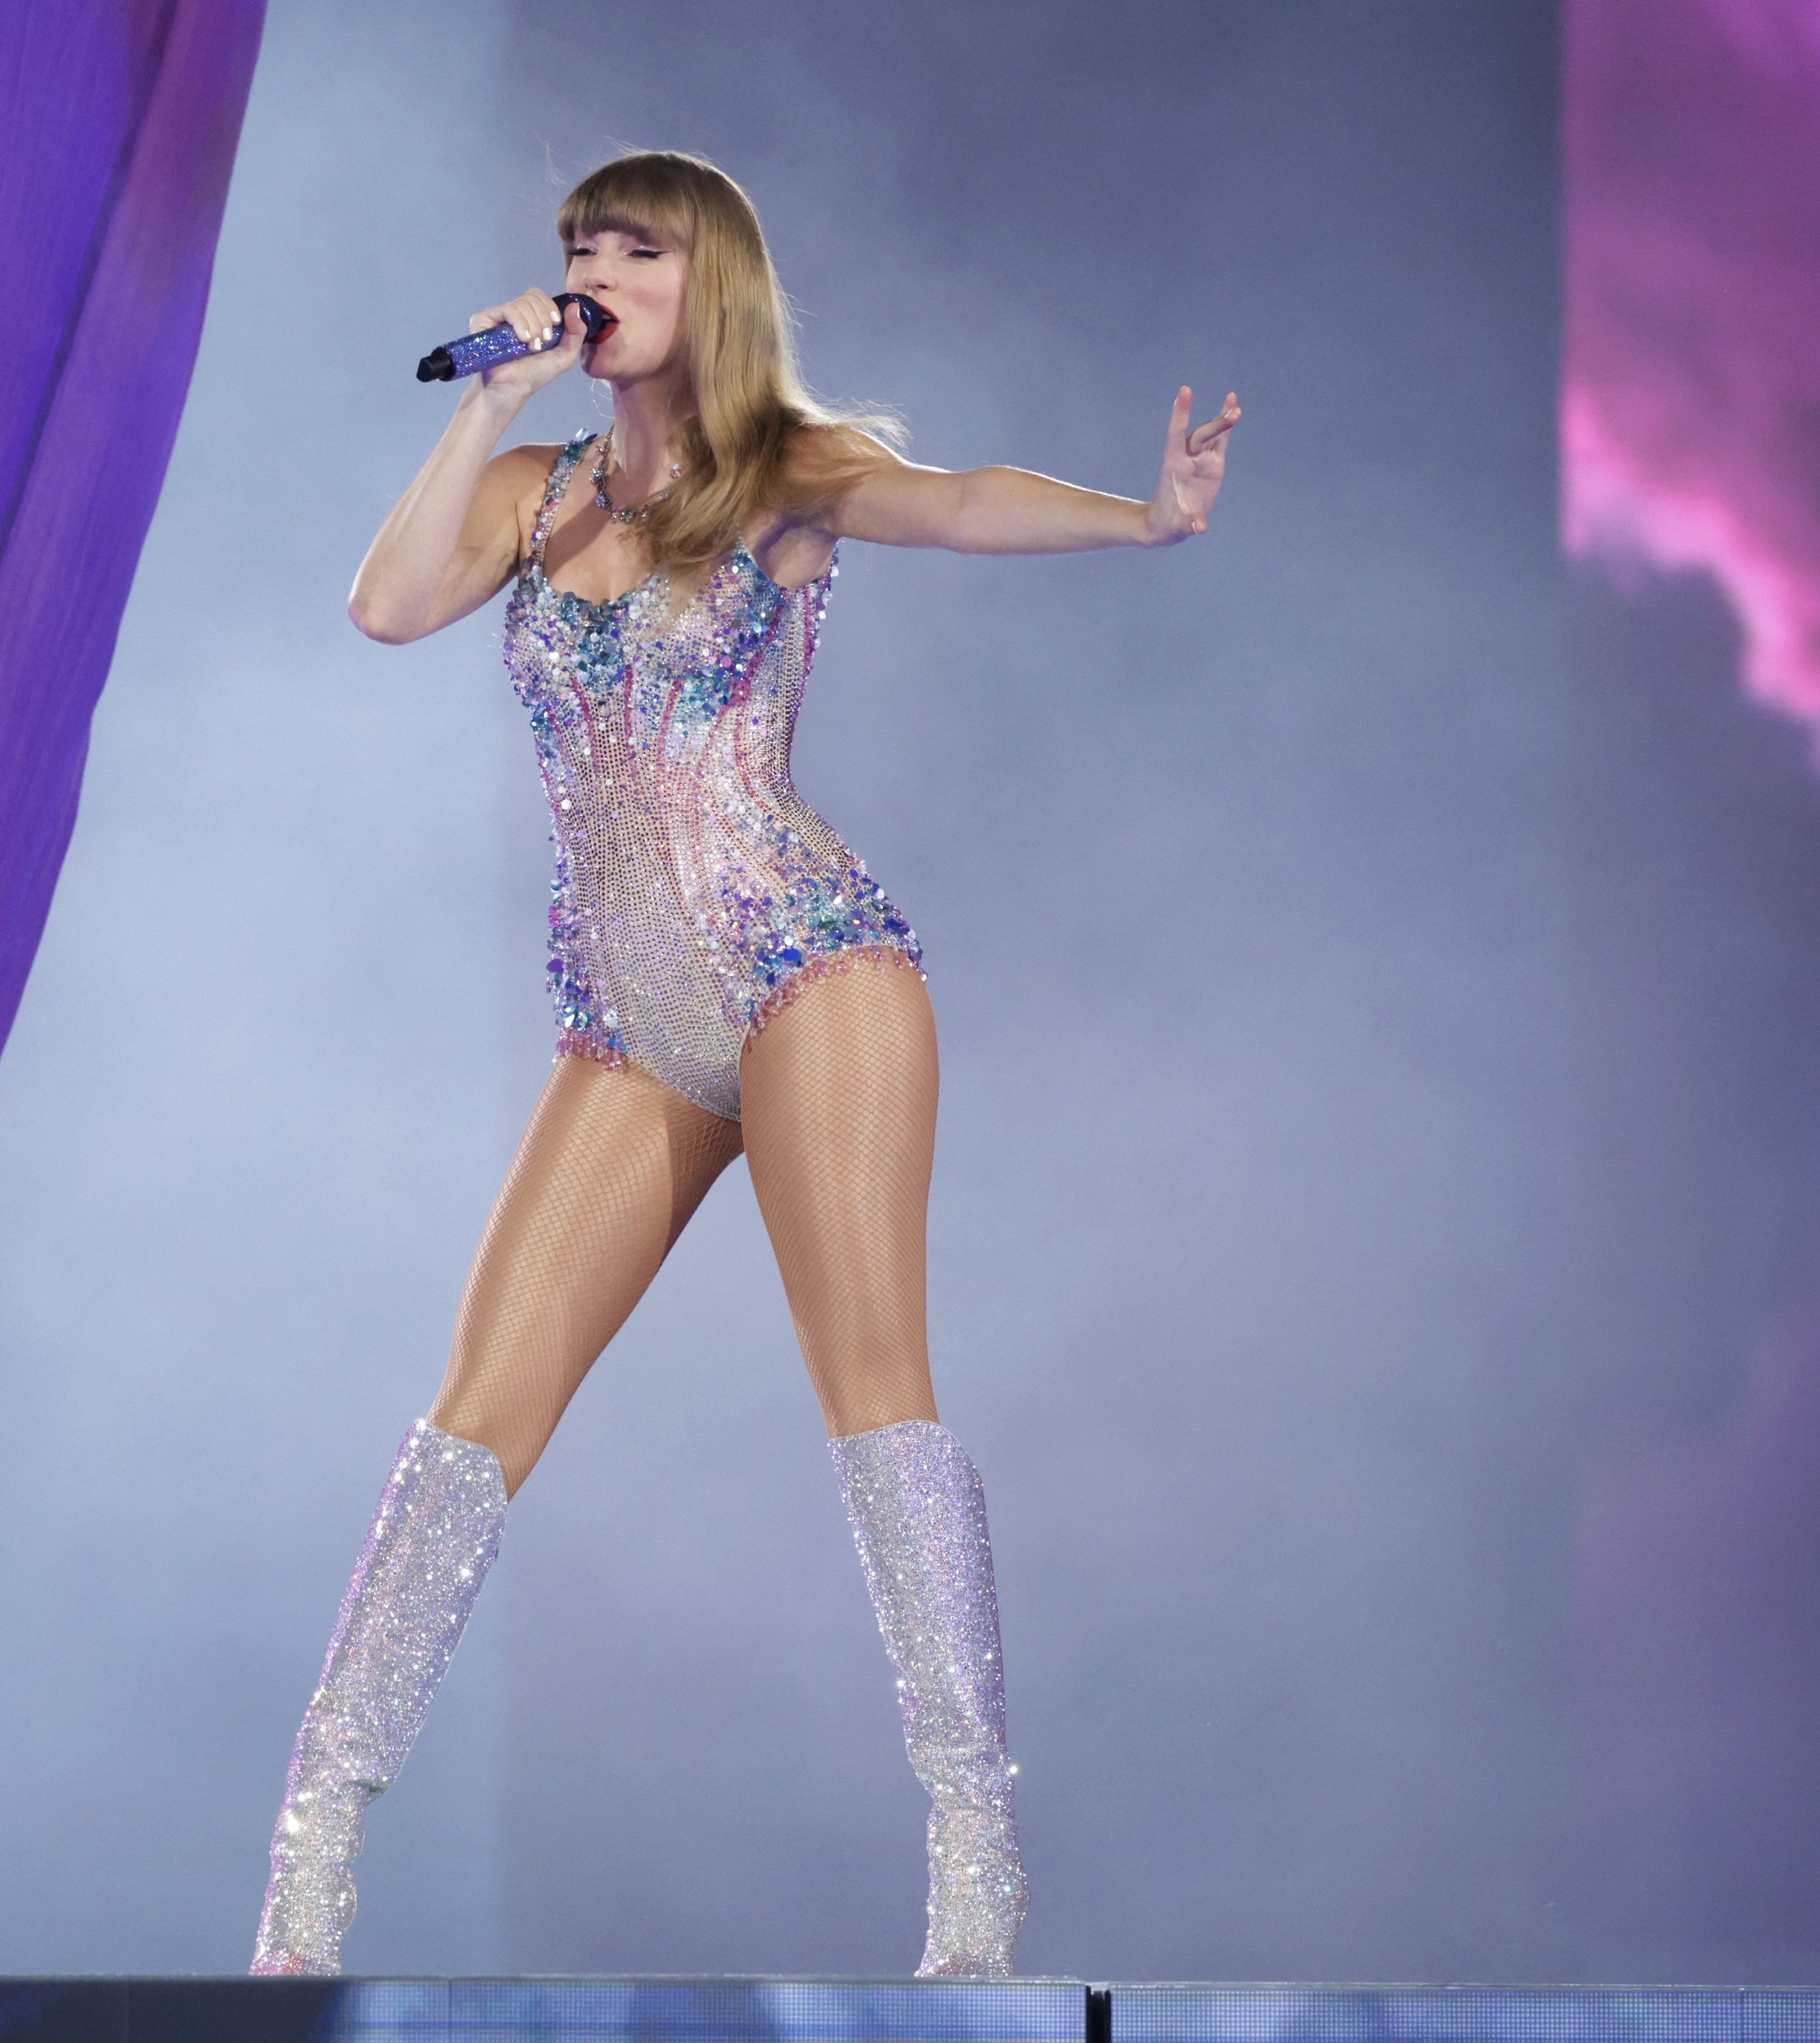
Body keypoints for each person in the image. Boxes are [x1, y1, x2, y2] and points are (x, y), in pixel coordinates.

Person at [248, 150, 1238, 1980]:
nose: (590, 268)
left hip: (803, 966)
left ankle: (972, 1872)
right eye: (574, 246)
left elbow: (951, 502)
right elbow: (386, 606)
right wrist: (490, 407)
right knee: (469, 1420)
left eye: (629, 246)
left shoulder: (776, 471)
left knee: (868, 1380)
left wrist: (1141, 515)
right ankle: (303, 1885)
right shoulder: (536, 491)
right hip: (628, 1021)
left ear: (706, 285)